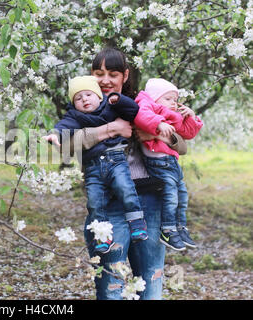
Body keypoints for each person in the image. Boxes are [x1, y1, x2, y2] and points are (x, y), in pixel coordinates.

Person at [55, 47, 187, 300]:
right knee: (111, 284)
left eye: (112, 73)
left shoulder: (141, 104)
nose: (105, 80)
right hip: (109, 204)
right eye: (98, 73)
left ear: (125, 75)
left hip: (149, 201)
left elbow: (182, 145)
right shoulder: (83, 107)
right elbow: (66, 145)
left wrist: (157, 133)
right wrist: (110, 129)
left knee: (151, 280)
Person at [43, 75, 148, 255]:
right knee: (94, 202)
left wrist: (118, 99)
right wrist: (55, 135)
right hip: (92, 167)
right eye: (78, 98)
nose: (84, 100)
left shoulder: (110, 106)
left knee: (126, 188)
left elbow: (134, 111)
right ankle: (101, 235)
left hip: (115, 159)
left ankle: (137, 222)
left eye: (88, 95)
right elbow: (64, 126)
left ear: (99, 96)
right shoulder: (75, 117)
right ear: (73, 103)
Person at [134, 78, 203, 250]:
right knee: (171, 196)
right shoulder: (147, 103)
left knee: (182, 196)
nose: (173, 102)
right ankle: (168, 229)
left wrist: (191, 117)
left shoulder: (173, 115)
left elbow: (186, 134)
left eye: (175, 99)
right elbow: (141, 115)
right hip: (158, 161)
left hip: (171, 162)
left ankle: (181, 227)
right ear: (155, 97)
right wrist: (159, 123)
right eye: (168, 98)